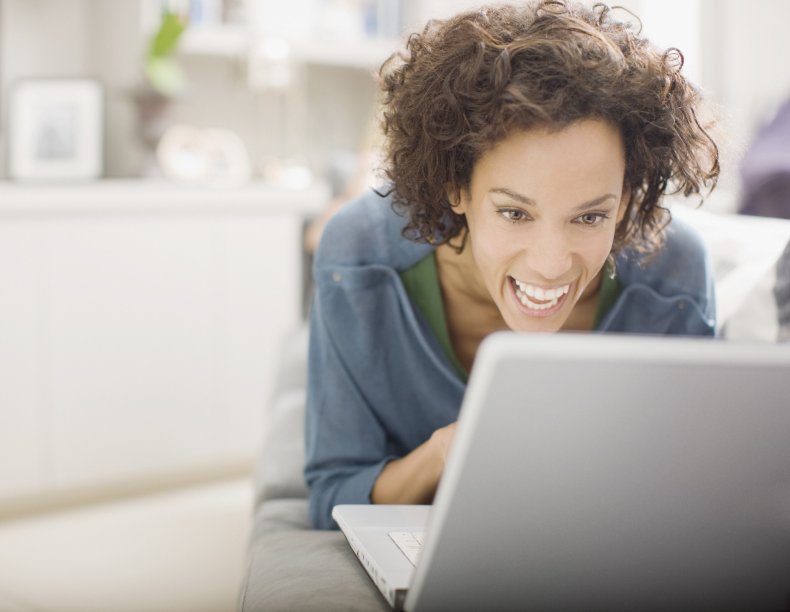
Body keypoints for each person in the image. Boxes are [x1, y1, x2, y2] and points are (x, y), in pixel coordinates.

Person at [304, 0, 720, 530]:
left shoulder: (674, 274)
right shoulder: (359, 255)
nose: (550, 265)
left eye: (590, 217)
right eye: (514, 212)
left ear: (627, 196)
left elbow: (695, 495)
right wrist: (443, 456)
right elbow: (330, 498)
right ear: (457, 186)